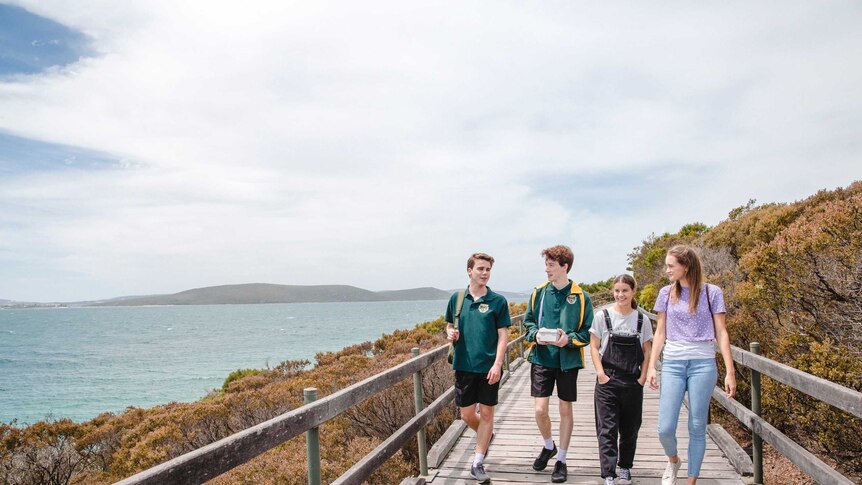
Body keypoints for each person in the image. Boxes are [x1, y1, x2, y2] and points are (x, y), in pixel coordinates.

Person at [646, 245, 737, 485]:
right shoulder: (666, 293)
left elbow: (721, 332)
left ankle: (691, 481)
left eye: (670, 265)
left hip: (703, 364)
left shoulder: (712, 292)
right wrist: (652, 366)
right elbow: (660, 332)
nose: (666, 270)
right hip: (673, 362)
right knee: (665, 428)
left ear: (686, 266)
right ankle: (673, 460)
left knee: (697, 425)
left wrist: (730, 371)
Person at [523, 245, 594, 483]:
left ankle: (561, 459)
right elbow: (528, 322)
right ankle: (548, 445)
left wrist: (569, 340)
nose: (547, 270)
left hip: (568, 361)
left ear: (565, 266)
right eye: (546, 265)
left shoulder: (582, 297)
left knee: (565, 410)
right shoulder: (539, 292)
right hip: (541, 358)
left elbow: (588, 332)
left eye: (551, 265)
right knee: (540, 410)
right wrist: (535, 335)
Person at [445, 252, 512, 484]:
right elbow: (448, 324)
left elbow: (503, 336)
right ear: (469, 271)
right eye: (480, 269)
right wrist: (449, 332)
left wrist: (497, 364)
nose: (485, 273)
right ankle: (486, 434)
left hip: (489, 368)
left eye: (488, 269)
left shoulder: (498, 301)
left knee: (486, 414)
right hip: (463, 365)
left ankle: (478, 462)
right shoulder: (458, 298)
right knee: (465, 415)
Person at [590, 274, 653, 485]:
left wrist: (643, 378)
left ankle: (625, 467)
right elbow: (593, 346)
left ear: (633, 291)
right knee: (607, 429)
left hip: (632, 382)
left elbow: (648, 350)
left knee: (630, 428)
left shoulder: (641, 319)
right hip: (608, 381)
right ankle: (608, 473)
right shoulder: (602, 316)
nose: (620, 295)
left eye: (625, 290)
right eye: (617, 291)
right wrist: (600, 373)